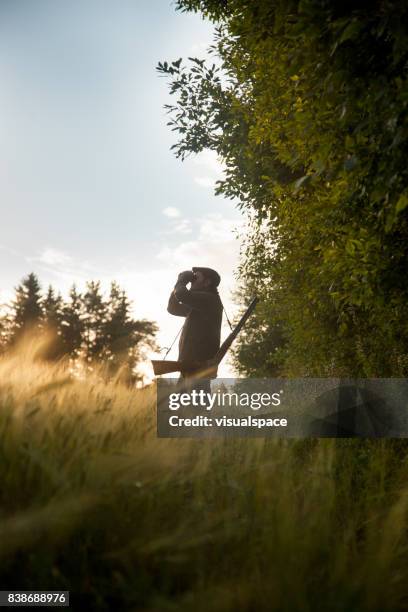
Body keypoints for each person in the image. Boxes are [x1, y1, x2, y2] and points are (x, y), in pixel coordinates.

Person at [167, 267, 223, 393]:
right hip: (188, 368)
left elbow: (182, 295)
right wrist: (179, 282)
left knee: (195, 410)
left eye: (195, 278)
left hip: (199, 369)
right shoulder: (199, 304)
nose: (191, 281)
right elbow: (172, 308)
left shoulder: (210, 300)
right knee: (180, 411)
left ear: (207, 282)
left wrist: (181, 281)